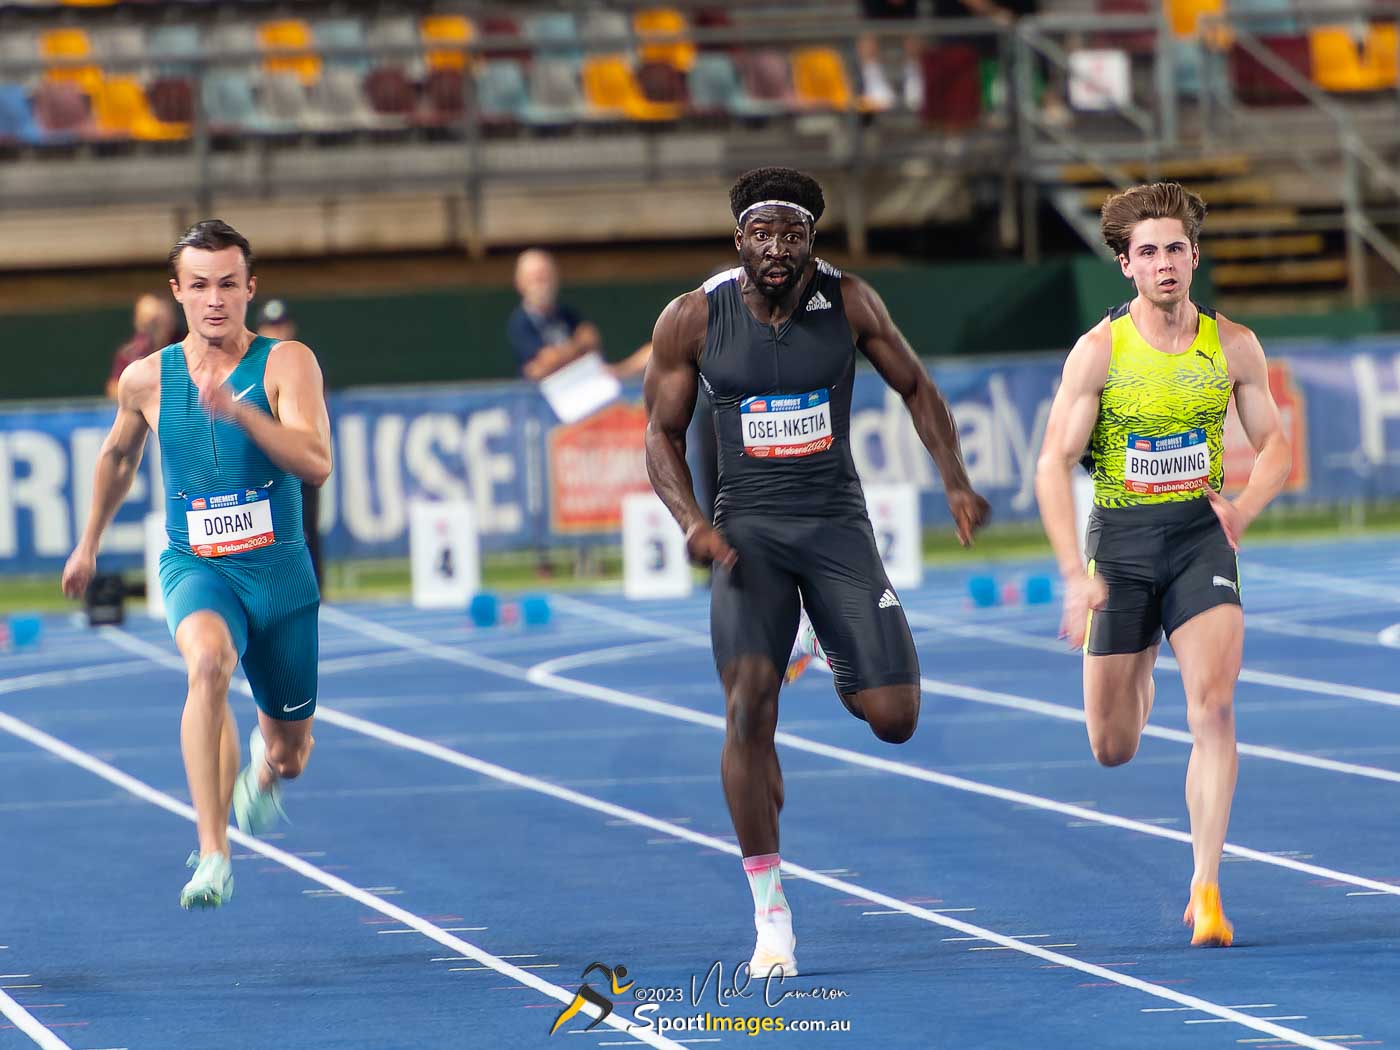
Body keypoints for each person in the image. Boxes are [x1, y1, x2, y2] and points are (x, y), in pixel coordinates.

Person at [644, 167, 990, 977]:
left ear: (811, 242)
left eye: (791, 235)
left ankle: (830, 651)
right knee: (746, 709)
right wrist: (692, 523)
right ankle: (772, 917)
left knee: (895, 715)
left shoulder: (853, 302)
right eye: (761, 234)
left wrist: (955, 477)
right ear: (739, 240)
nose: (776, 249)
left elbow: (915, 384)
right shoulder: (693, 317)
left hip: (834, 523)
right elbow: (658, 436)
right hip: (747, 534)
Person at [1034, 182, 1292, 947]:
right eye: (1147, 251)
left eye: (1175, 248)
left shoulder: (1233, 345)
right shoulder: (1100, 352)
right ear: (1126, 265)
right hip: (1120, 544)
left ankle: (1206, 886)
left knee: (1212, 707)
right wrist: (1076, 574)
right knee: (1111, 746)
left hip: (1199, 536)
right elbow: (1053, 463)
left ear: (1194, 255)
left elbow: (1275, 442)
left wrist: (1242, 508)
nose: (1164, 263)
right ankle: (1137, 655)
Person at [62, 220, 332, 910]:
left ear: (250, 288)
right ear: (177, 291)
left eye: (228, 285)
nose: (215, 300)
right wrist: (88, 541)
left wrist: (244, 418)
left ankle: (264, 775)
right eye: (200, 286)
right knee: (206, 664)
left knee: (289, 753)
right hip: (197, 566)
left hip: (279, 577)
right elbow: (119, 457)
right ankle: (213, 852)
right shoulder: (146, 379)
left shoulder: (286, 363)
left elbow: (316, 464)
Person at [257, 299, 324, 591]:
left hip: (297, 460)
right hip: (262, 464)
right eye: (271, 326)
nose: (278, 331)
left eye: (281, 325)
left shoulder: (303, 364)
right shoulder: (251, 366)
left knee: (305, 526)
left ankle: (314, 589)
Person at [507, 249, 605, 381]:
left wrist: (557, 359)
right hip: (537, 396)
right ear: (520, 283)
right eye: (535, 278)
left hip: (578, 386)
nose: (541, 284)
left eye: (545, 277)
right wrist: (577, 348)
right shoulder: (521, 322)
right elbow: (543, 364)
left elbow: (592, 345)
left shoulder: (569, 314)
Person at [106, 293, 178, 399]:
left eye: (158, 320)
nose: (153, 327)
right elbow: (113, 389)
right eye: (147, 320)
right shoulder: (130, 353)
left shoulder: (185, 348)